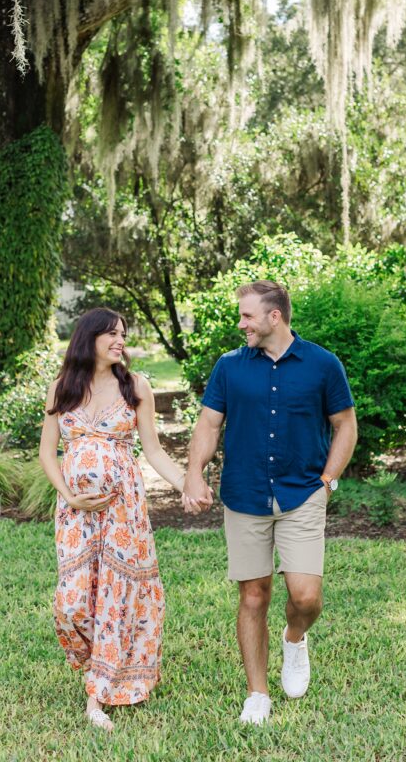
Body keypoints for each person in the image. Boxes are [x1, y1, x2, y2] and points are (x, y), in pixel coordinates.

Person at [182, 280, 358, 725]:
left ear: (273, 317)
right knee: (254, 596)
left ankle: (295, 638)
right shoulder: (229, 367)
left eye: (247, 316)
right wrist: (193, 473)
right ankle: (257, 693)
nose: (241, 324)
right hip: (244, 496)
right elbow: (208, 424)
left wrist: (327, 482)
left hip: (302, 494)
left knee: (306, 595)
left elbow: (345, 425)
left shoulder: (322, 365)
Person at [39, 307, 201, 732]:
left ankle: (99, 694)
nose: (119, 340)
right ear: (88, 338)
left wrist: (188, 483)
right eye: (111, 334)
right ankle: (103, 666)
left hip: (123, 511)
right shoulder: (63, 388)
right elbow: (47, 452)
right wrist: (70, 494)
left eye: (123, 334)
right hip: (75, 514)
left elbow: (153, 450)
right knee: (73, 603)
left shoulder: (136, 386)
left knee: (114, 597)